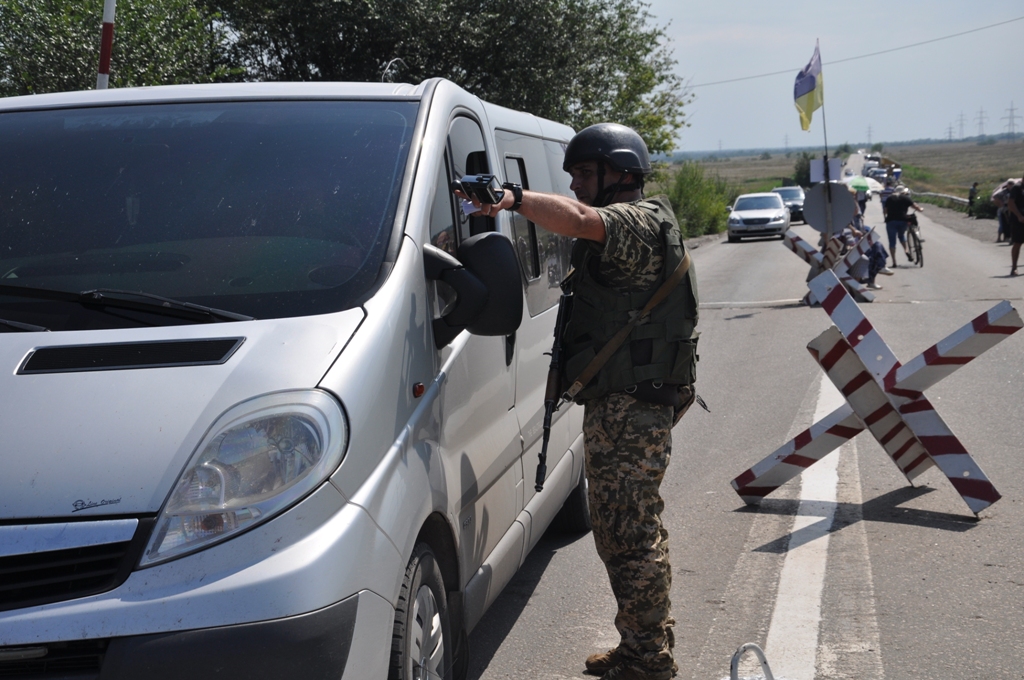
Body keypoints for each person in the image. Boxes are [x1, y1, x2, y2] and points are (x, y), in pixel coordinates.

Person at [456, 123, 698, 680]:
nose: (577, 185)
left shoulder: (633, 222)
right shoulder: (639, 222)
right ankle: (644, 645)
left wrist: (510, 199)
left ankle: (648, 660)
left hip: (632, 408)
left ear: (621, 174)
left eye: (586, 174)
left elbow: (582, 220)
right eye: (573, 176)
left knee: (629, 535)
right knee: (629, 531)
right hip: (628, 403)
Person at [883, 185, 922, 267]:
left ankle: (894, 262)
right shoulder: (905, 198)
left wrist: (888, 214)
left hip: (891, 221)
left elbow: (885, 211)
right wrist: (920, 209)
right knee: (901, 236)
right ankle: (906, 250)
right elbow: (915, 206)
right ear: (903, 192)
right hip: (902, 221)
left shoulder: (890, 198)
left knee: (892, 242)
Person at [1005, 177, 1024, 276]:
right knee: (1018, 243)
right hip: (1018, 220)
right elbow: (1010, 203)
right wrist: (1019, 216)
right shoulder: (1017, 188)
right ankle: (1014, 268)